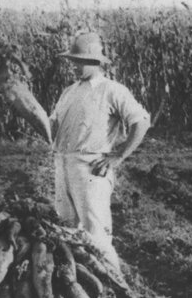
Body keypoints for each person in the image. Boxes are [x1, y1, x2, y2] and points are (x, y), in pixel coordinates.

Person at [48, 31, 150, 270]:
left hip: (90, 168)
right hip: (63, 164)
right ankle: (80, 285)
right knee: (66, 229)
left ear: (93, 61)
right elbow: (52, 126)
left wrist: (119, 155)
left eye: (78, 61)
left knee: (96, 233)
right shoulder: (69, 92)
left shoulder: (112, 90)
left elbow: (141, 121)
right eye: (72, 61)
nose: (73, 67)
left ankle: (117, 286)